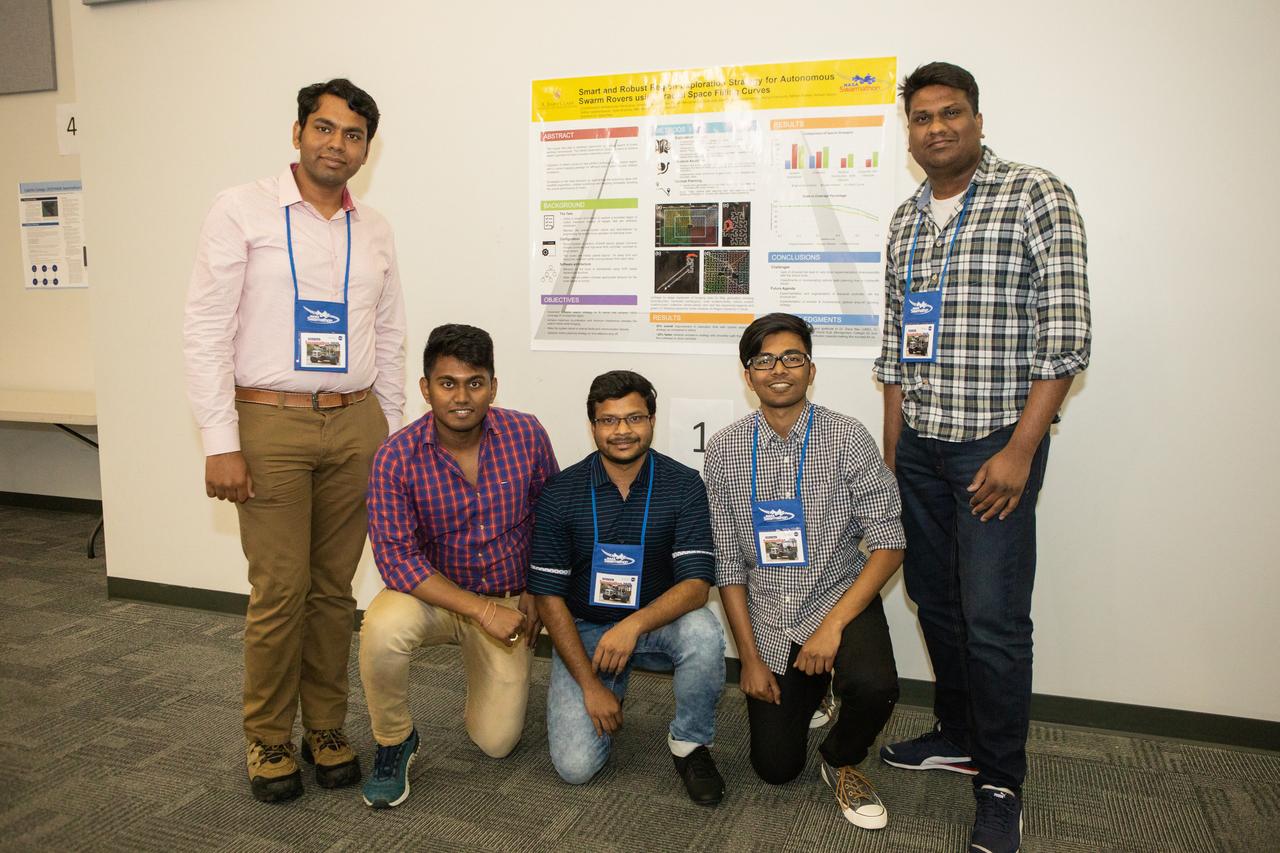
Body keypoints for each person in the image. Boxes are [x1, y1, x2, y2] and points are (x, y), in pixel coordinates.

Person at [874, 62, 1091, 853]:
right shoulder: (905, 219)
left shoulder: (1035, 194)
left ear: (976, 118)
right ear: (910, 130)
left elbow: (1065, 337)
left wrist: (1021, 451)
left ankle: (1001, 781)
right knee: (936, 602)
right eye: (922, 117)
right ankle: (959, 732)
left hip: (994, 446)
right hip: (922, 453)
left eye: (950, 113)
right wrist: (895, 455)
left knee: (994, 622)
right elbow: (896, 349)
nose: (936, 127)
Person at [183, 78, 405, 803]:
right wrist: (221, 438)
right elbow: (206, 329)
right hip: (268, 420)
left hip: (356, 421)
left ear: (366, 149)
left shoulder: (373, 228)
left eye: (352, 135)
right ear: (297, 132)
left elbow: (392, 336)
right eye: (324, 128)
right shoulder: (240, 209)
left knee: (334, 591)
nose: (336, 145)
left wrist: (394, 438)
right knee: (280, 588)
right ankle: (268, 734)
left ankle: (327, 726)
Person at [704, 313, 905, 830]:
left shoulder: (848, 437)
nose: (779, 369)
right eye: (764, 360)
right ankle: (811, 692)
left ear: (810, 370)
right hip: (770, 612)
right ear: (747, 376)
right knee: (774, 768)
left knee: (874, 687)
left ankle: (840, 757)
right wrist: (748, 658)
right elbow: (727, 565)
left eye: (792, 357)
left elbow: (889, 543)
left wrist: (832, 628)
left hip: (835, 595)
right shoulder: (725, 449)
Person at [358, 324, 558, 809]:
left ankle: (484, 681)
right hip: (433, 596)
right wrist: (480, 611)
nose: (462, 396)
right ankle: (394, 740)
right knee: (380, 629)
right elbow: (397, 560)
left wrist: (536, 588)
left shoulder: (525, 433)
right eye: (448, 383)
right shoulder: (394, 457)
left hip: (508, 600)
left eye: (475, 382)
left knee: (496, 743)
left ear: (493, 385)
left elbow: (551, 514)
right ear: (426, 389)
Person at [529, 371, 726, 804]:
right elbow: (548, 597)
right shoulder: (561, 492)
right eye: (609, 421)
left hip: (656, 623)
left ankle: (690, 743)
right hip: (585, 628)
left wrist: (631, 626)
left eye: (634, 418)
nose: (622, 431)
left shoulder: (684, 485)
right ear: (593, 426)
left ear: (652, 420)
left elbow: (695, 586)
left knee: (703, 632)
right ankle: (606, 687)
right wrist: (591, 686)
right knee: (575, 768)